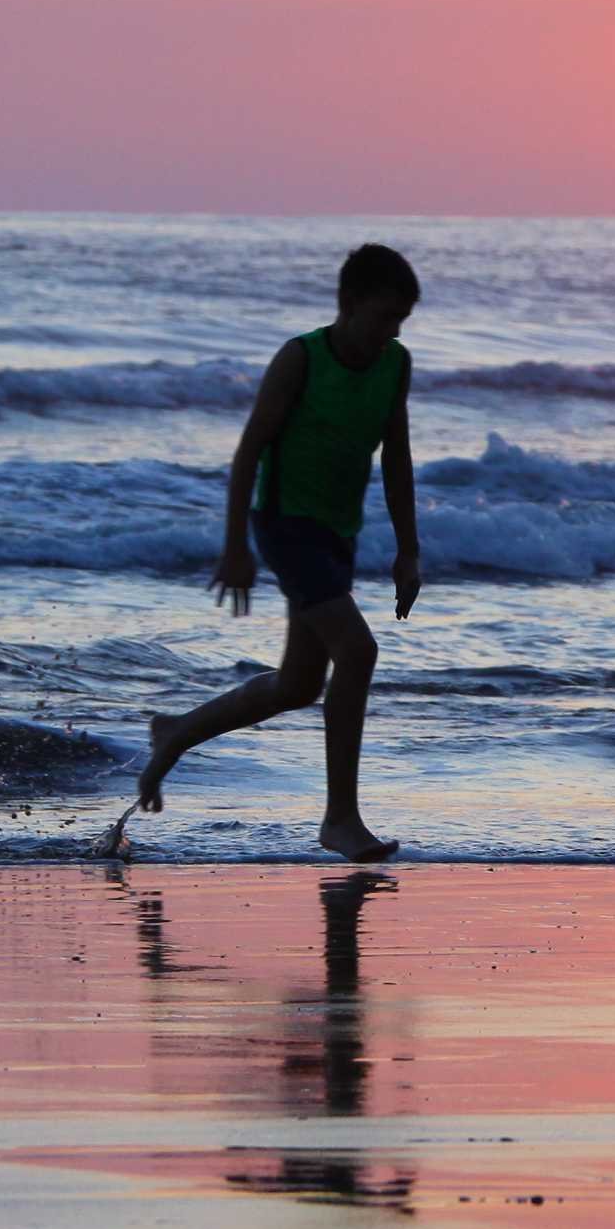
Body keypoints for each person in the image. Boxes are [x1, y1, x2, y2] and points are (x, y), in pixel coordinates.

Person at [135, 243, 421, 860]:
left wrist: (408, 550)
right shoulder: (301, 359)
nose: (388, 333)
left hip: (338, 532)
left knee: (298, 686)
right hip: (286, 526)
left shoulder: (395, 365)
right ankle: (340, 818)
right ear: (348, 305)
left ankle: (177, 731)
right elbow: (248, 452)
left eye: (400, 321)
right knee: (358, 650)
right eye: (381, 318)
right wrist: (235, 544)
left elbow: (395, 459)